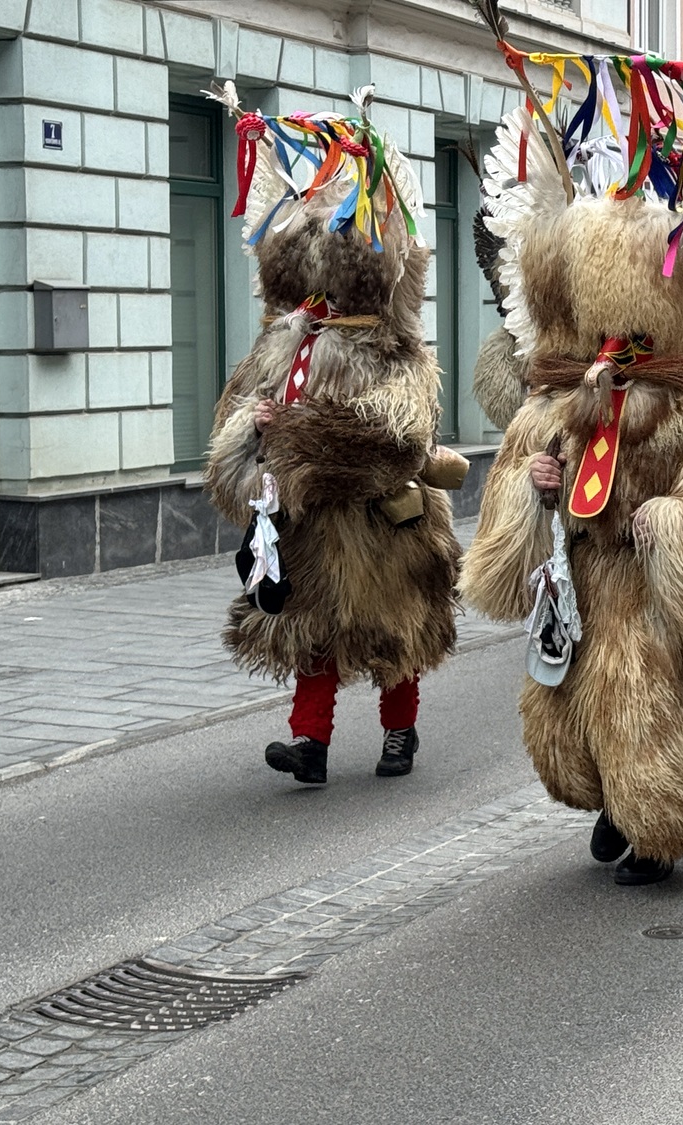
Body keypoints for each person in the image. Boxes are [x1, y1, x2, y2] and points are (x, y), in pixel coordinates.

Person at [459, 103, 683, 886]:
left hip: (653, 595)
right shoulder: (558, 406)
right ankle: (611, 804)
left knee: (645, 715)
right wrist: (534, 492)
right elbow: (511, 492)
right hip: (580, 584)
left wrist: (675, 525)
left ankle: (649, 831)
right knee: (566, 725)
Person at [203, 89, 464, 785]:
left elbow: (396, 434)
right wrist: (252, 434)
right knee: (311, 632)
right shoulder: (282, 340)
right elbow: (229, 433)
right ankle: (309, 743)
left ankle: (399, 732)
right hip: (308, 522)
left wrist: (301, 439)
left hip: (383, 522)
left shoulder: (390, 344)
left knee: (392, 630)